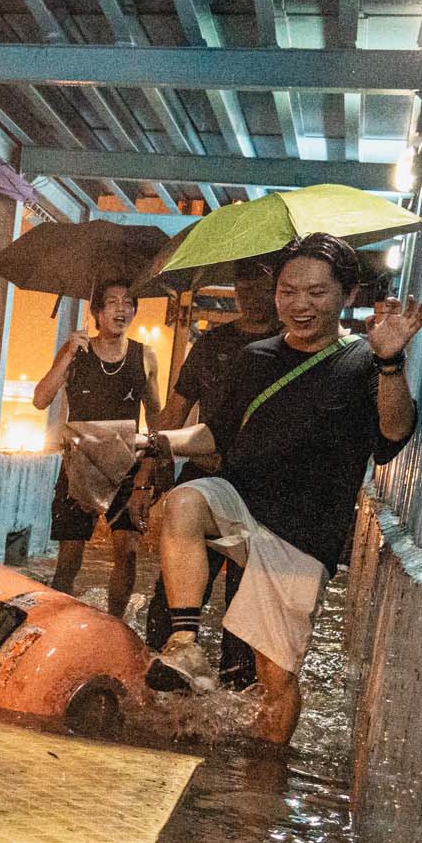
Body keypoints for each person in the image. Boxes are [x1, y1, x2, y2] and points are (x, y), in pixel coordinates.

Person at [144, 233, 422, 744]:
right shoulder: (254, 357)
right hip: (242, 506)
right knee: (184, 501)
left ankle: (264, 776)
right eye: (288, 291)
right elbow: (216, 435)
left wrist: (390, 361)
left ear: (348, 294)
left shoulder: (364, 361)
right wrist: (157, 441)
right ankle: (185, 642)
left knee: (275, 680)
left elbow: (393, 432)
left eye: (317, 292)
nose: (300, 304)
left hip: (303, 537)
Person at [142, 258, 282, 688]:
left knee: (245, 612)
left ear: (276, 285)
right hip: (203, 478)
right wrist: (146, 469)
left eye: (260, 282)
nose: (249, 292)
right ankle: (160, 679)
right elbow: (176, 411)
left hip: (260, 490)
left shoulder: (293, 349)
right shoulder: (212, 345)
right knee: (170, 600)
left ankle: (234, 699)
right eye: (242, 282)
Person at [31, 279, 160, 618]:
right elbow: (40, 399)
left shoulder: (144, 355)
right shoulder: (77, 351)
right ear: (98, 313)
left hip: (127, 464)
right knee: (69, 557)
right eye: (112, 302)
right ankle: (56, 622)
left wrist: (150, 468)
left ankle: (115, 623)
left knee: (128, 553)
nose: (121, 309)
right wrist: (67, 356)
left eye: (128, 302)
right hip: (80, 465)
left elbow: (157, 417)